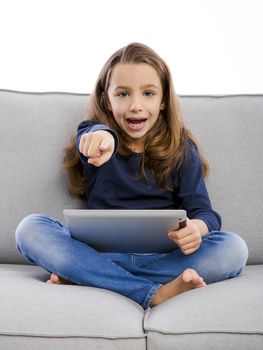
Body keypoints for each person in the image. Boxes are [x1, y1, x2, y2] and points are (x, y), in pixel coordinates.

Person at [15, 42, 248, 309]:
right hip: (100, 255)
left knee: (234, 248)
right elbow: (91, 138)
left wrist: (196, 229)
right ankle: (152, 292)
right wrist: (103, 139)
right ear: (107, 99)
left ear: (162, 100)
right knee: (30, 229)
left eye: (148, 93)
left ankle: (89, 278)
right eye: (123, 94)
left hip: (161, 259)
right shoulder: (95, 134)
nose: (136, 105)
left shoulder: (182, 149)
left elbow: (205, 213)